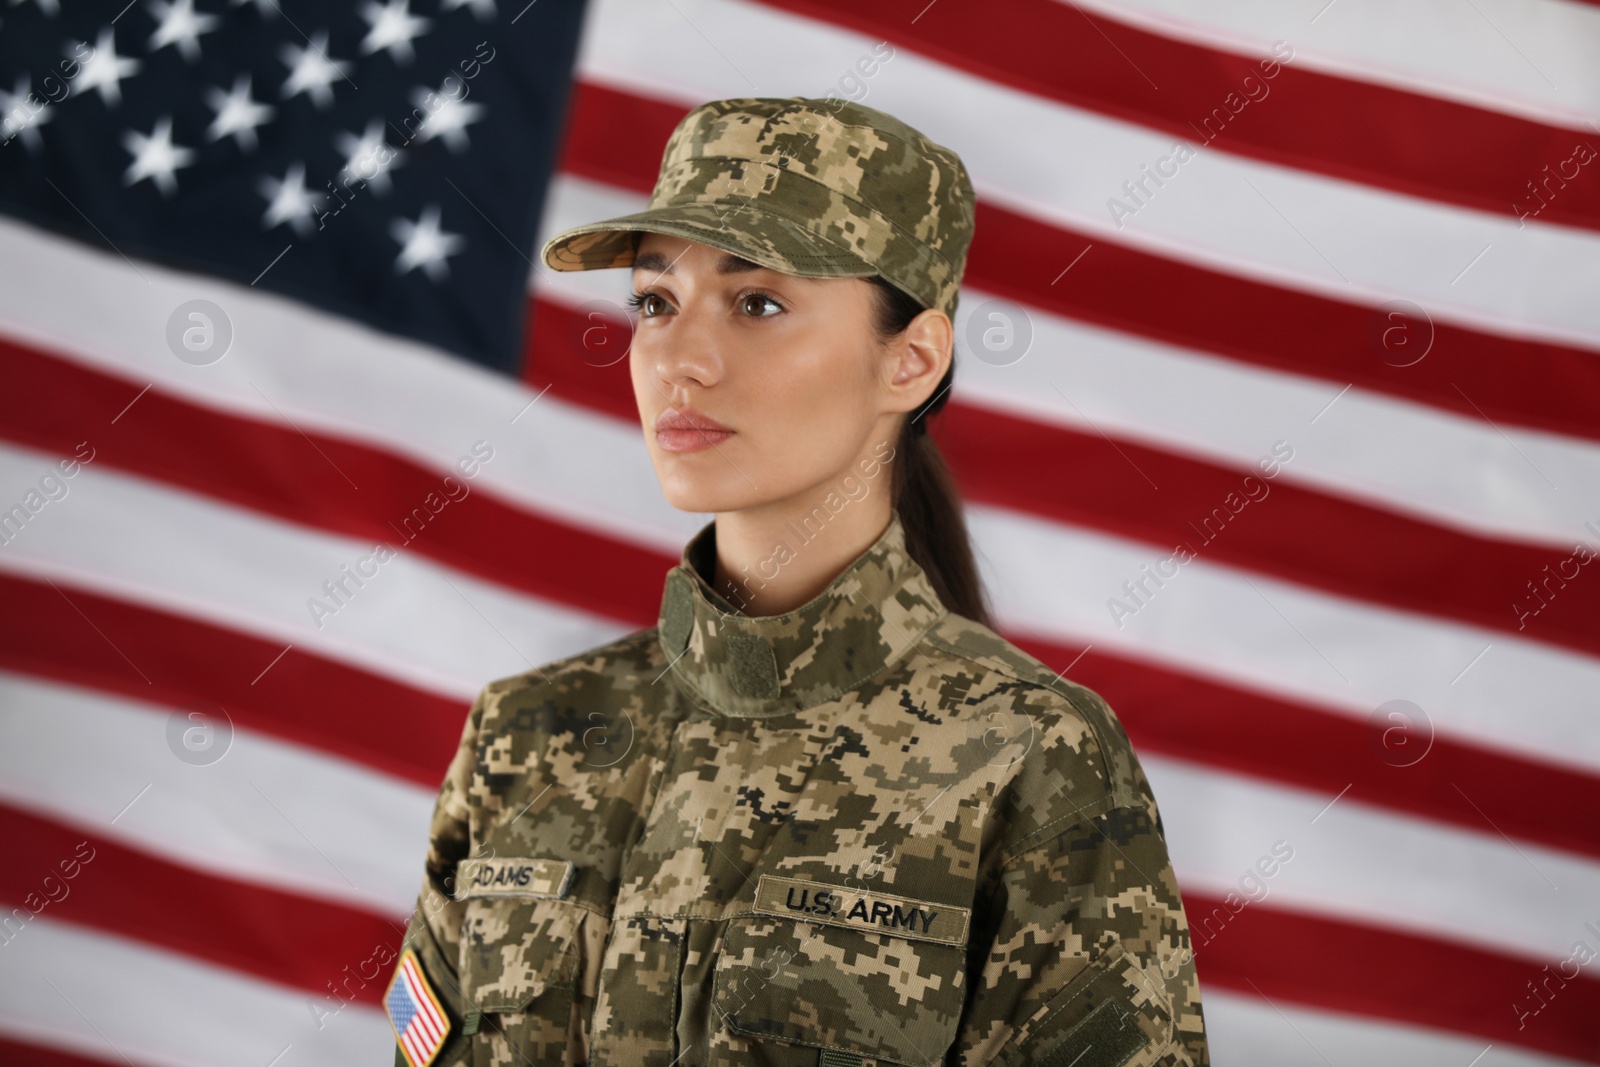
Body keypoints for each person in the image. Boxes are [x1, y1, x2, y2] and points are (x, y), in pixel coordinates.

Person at [384, 95, 1209, 1067]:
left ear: (911, 359)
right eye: (655, 301)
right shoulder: (525, 737)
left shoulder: (1027, 758)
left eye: (758, 301)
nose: (679, 360)